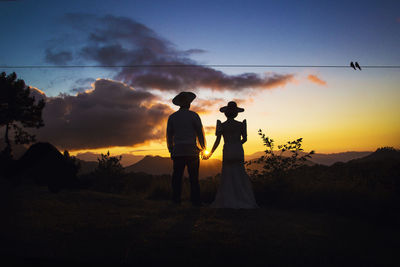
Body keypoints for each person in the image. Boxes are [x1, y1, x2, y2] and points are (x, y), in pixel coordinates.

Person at [204, 101, 258, 209]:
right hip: (238, 149)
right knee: (239, 173)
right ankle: (242, 198)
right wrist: (237, 144)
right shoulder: (241, 124)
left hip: (228, 149)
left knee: (228, 175)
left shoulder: (222, 125)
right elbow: (245, 139)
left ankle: (228, 199)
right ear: (236, 113)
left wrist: (209, 153)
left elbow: (218, 141)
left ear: (226, 113)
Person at [166, 92, 206, 206]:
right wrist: (203, 148)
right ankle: (196, 201)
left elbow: (169, 135)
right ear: (188, 103)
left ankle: (176, 200)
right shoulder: (194, 116)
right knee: (194, 178)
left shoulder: (172, 117)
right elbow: (200, 134)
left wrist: (171, 149)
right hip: (192, 151)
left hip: (178, 151)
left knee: (177, 177)